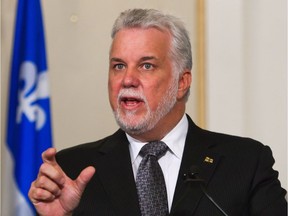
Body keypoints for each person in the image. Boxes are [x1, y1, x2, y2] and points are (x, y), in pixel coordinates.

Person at [28, 8, 287, 216]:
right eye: (118, 66)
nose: (127, 79)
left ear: (181, 82)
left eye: (146, 66)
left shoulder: (245, 162)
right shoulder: (72, 170)